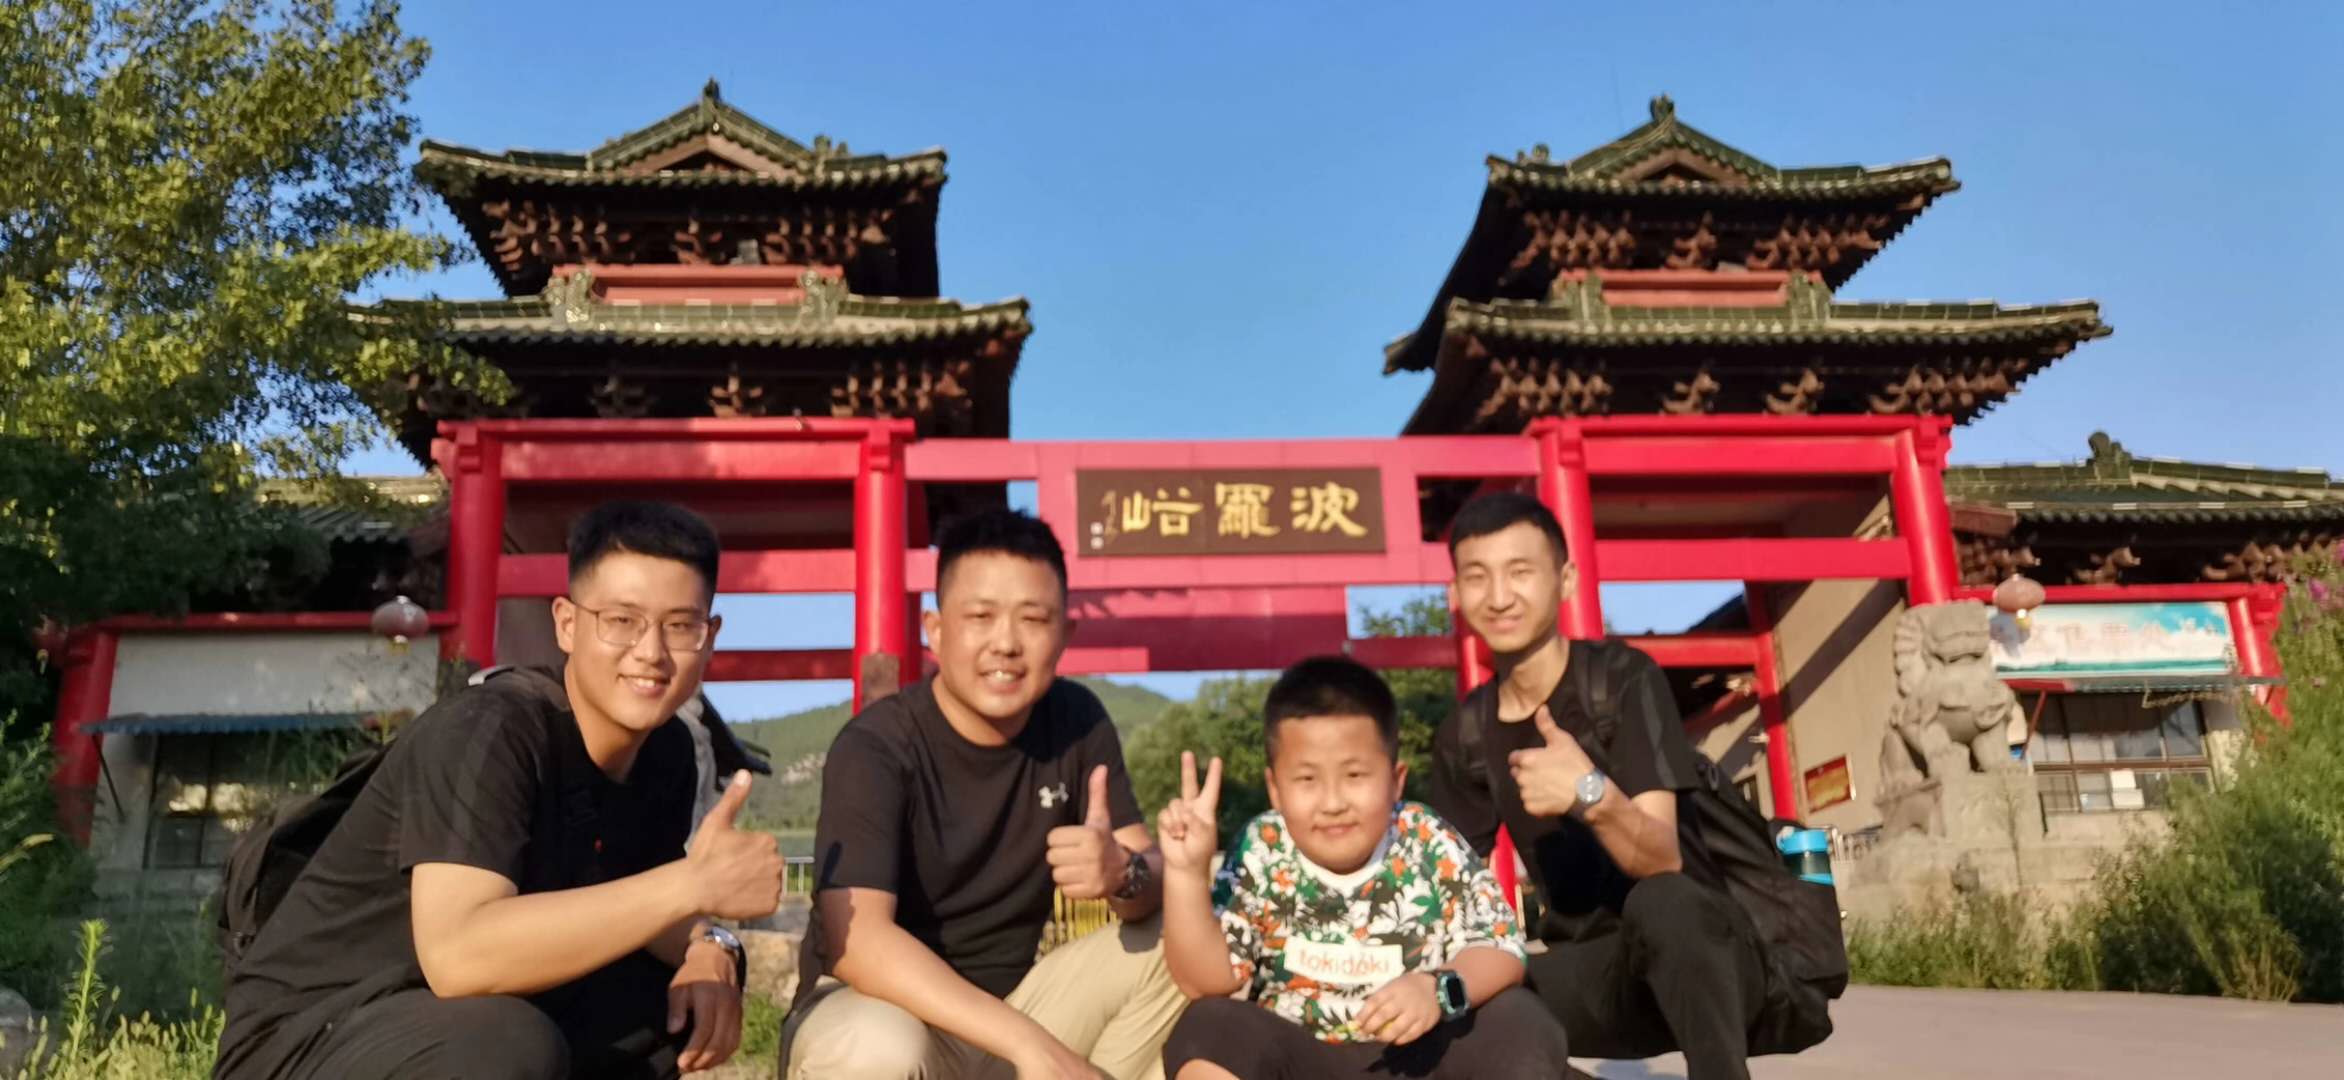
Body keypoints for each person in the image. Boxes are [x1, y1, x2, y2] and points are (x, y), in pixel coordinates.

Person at [215, 501, 784, 1080]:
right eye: (621, 620)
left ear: (710, 637)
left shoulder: (666, 754)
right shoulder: (490, 729)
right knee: (505, 1042)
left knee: (663, 1000)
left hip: (439, 1022)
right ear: (566, 623)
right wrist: (692, 883)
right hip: (308, 1036)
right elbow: (458, 956)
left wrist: (711, 946)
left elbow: (644, 903)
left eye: (680, 626)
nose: (651, 652)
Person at [782, 509, 1186, 1080]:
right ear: (936, 630)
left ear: (1064, 635)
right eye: (980, 616)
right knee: (875, 1048)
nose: (1006, 643)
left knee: (1179, 941)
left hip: (1014, 1009)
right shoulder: (877, 745)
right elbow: (861, 943)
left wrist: (1124, 873)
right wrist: (1033, 1046)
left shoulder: (1077, 722)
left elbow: (1152, 868)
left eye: (1033, 619)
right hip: (879, 1006)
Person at [1427, 492, 1775, 1080]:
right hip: (1596, 973)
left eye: (1520, 571)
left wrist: (1589, 793)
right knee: (1458, 999)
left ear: (1564, 580)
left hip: (1707, 959)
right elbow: (1447, 894)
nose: (1500, 596)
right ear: (1455, 595)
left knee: (1665, 903)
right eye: (1478, 577)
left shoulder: (1622, 680)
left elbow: (1663, 859)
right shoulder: (1464, 735)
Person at [1155, 656, 1571, 1080]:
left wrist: (1437, 988)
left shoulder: (1426, 838)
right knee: (1207, 1026)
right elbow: (1209, 981)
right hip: (1302, 1061)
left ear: (1395, 780)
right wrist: (1185, 873)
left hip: (1420, 1057)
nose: (1333, 802)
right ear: (1274, 789)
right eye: (1307, 780)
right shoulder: (1260, 848)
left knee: (1519, 1019)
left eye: (1354, 775)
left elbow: (1501, 948)